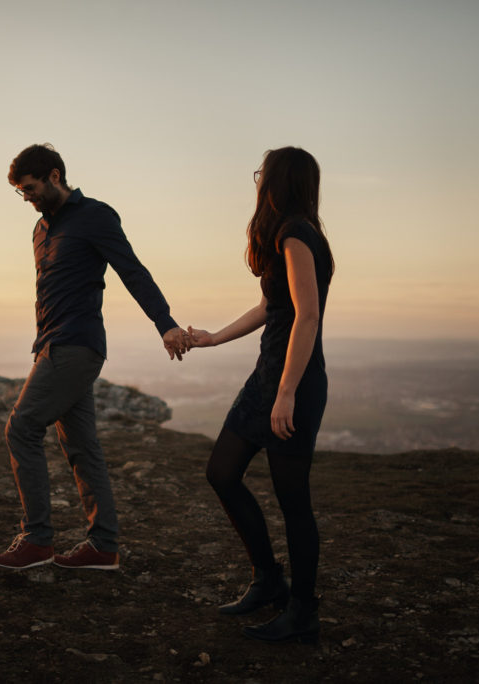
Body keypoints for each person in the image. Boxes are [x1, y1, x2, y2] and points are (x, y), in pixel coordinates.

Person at [0, 143, 190, 571]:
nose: (27, 198)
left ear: (55, 176)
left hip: (77, 345)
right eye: (20, 192)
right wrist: (41, 343)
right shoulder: (41, 229)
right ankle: (103, 547)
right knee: (81, 445)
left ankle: (37, 540)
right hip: (53, 345)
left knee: (21, 428)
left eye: (31, 188)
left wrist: (165, 323)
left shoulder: (96, 215)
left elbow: (132, 271)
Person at [187, 146, 334, 644]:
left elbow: (307, 315)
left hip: (294, 383)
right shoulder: (291, 233)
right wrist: (213, 337)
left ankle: (303, 612)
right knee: (222, 472)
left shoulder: (295, 234)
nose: (257, 182)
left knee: (294, 502)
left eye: (261, 175)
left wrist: (288, 392)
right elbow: (274, 306)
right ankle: (269, 579)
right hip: (267, 379)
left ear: (276, 182)